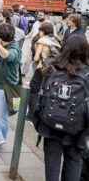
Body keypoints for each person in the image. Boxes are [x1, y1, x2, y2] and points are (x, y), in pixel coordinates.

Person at [34, 34, 89, 181]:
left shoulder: (51, 69)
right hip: (77, 128)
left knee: (52, 163)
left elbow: (41, 97)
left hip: (51, 126)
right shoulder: (87, 73)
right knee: (74, 162)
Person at [26, 22, 60, 122]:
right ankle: (44, 114)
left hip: (41, 69)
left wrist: (38, 61)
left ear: (42, 31)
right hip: (53, 70)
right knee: (46, 91)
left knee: (34, 90)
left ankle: (31, 115)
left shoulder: (42, 41)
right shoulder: (55, 41)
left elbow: (36, 57)